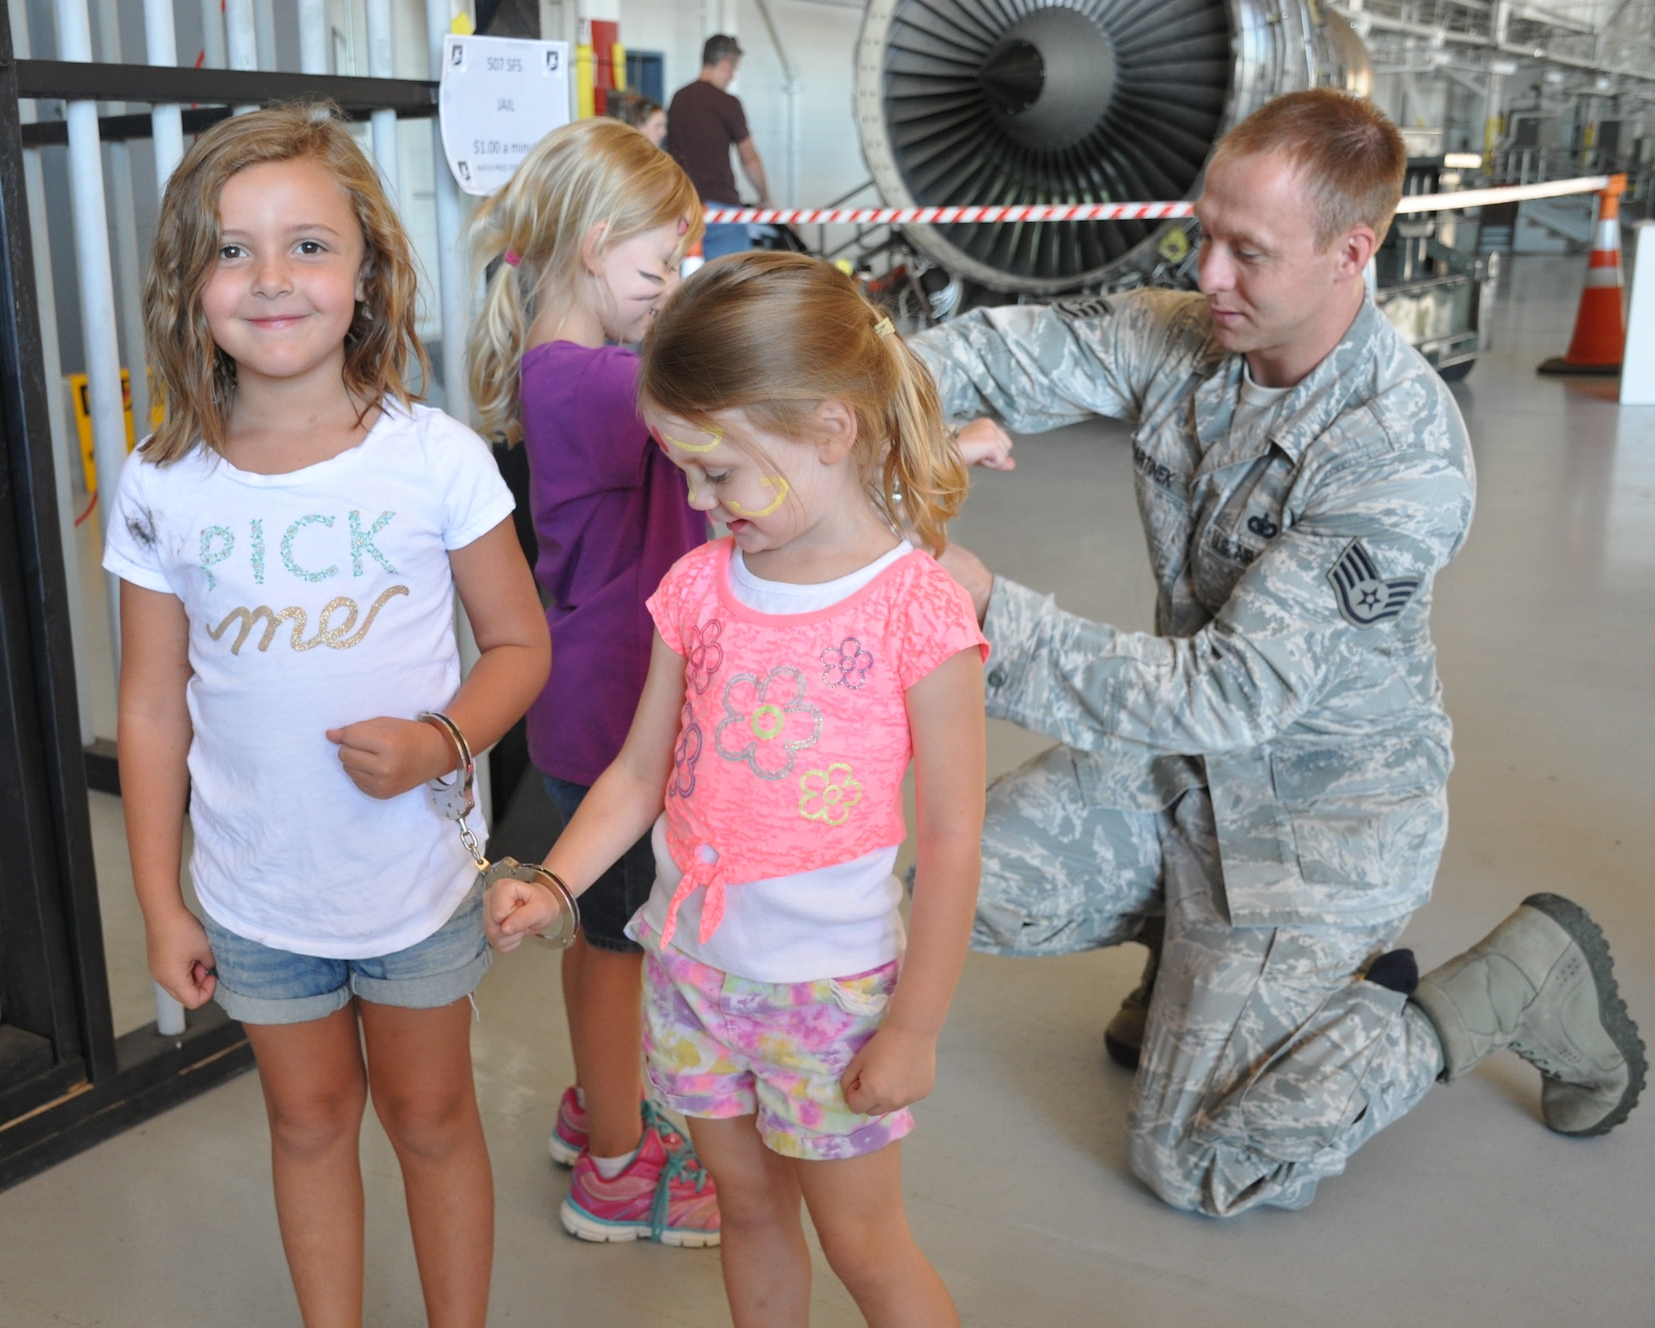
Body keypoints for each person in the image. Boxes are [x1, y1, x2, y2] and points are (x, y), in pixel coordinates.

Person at [914, 88, 1645, 1218]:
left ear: (1349, 252)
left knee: (1195, 1163)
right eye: (1201, 234)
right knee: (934, 890)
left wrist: (983, 611)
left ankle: (1507, 981)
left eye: (1245, 251)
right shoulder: (1189, 335)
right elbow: (988, 356)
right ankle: (1186, 960)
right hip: (1181, 773)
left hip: (1321, 823)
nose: (1206, 272)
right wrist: (816, 400)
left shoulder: (1396, 455)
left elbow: (1231, 690)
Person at [109, 103, 550, 1326]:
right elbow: (151, 705)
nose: (270, 279)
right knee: (307, 1123)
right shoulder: (160, 483)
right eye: (231, 249)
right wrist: (160, 898)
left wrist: (443, 739)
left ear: (365, 273)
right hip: (259, 893)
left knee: (430, 1115)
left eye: (307, 245)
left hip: (409, 881)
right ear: (187, 283)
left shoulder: (433, 457)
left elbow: (519, 645)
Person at [488, 252, 988, 1327]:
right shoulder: (700, 588)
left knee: (862, 1242)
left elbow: (950, 842)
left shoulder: (916, 610)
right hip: (693, 977)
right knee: (748, 1212)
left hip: (829, 1000)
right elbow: (636, 773)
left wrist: (914, 1026)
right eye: (683, 470)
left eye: (719, 472)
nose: (698, 500)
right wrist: (555, 881)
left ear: (827, 426)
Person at [465, 117, 720, 1247]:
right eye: (657, 269)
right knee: (615, 948)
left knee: (609, 936)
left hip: (598, 702)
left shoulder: (564, 369)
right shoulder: (593, 383)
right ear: (595, 243)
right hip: (616, 707)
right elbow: (719, 403)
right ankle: (616, 1164)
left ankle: (597, 1103)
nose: (667, 292)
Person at [667, 34, 770, 262]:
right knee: (730, 287)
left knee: (690, 284)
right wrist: (765, 197)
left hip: (683, 208)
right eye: (734, 69)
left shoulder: (678, 99)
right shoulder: (728, 103)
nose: (732, 76)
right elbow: (749, 157)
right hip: (720, 211)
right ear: (725, 65)